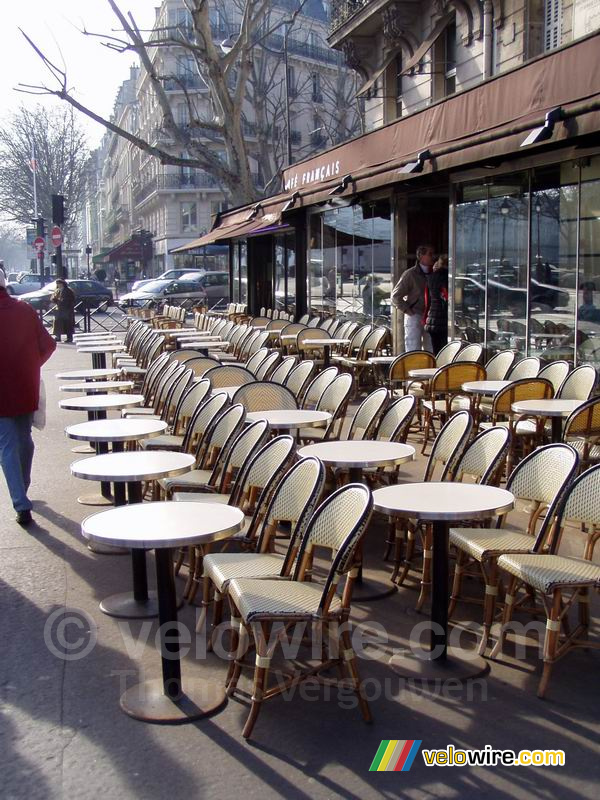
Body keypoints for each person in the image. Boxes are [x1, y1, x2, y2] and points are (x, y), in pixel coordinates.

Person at [0, 269, 56, 525]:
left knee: (7, 447)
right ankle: (22, 486)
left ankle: (21, 502)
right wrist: (33, 364)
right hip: (25, 385)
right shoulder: (24, 310)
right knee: (25, 440)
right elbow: (49, 344)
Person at [391, 244, 436, 351]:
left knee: (431, 348)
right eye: (430, 254)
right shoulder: (410, 274)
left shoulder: (435, 273)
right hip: (415, 314)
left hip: (431, 316)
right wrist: (408, 310)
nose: (432, 257)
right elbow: (396, 296)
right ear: (421, 256)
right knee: (413, 347)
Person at [424, 256, 449, 355]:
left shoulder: (430, 277)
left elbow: (427, 299)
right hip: (443, 318)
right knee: (445, 349)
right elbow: (447, 297)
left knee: (436, 349)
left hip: (432, 317)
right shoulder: (447, 277)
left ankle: (436, 367)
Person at [51, 278, 76, 343]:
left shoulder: (68, 291)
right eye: (57, 284)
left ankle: (69, 338)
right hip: (59, 310)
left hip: (67, 310)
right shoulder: (57, 290)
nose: (58, 285)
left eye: (60, 283)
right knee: (57, 324)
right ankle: (58, 337)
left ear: (63, 284)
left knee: (68, 324)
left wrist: (61, 301)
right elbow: (53, 297)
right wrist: (55, 300)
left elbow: (70, 300)